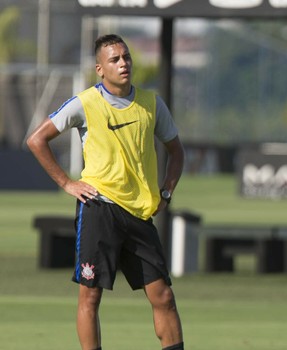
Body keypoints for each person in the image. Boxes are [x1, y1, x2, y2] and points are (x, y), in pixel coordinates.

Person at [26, 34, 185, 350]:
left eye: (126, 57)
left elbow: (176, 151)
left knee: (163, 295)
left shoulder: (152, 103)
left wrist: (166, 191)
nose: (124, 63)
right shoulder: (85, 103)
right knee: (91, 295)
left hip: (139, 213)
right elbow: (36, 140)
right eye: (115, 59)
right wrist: (67, 183)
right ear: (100, 68)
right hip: (99, 209)